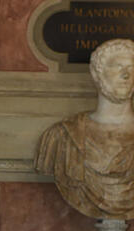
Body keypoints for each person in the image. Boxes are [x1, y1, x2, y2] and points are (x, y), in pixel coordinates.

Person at [35, 38, 134, 220]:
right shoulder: (62, 136)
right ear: (97, 74)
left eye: (131, 67)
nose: (126, 75)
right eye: (117, 66)